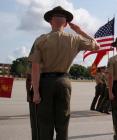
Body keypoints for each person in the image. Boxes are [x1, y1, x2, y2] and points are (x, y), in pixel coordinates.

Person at [30, 6, 99, 140]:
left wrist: (36, 92)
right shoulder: (75, 39)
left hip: (45, 83)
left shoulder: (41, 40)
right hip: (64, 82)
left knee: (45, 122)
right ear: (66, 23)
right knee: (63, 121)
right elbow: (96, 45)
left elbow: (35, 68)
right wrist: (80, 31)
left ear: (50, 21)